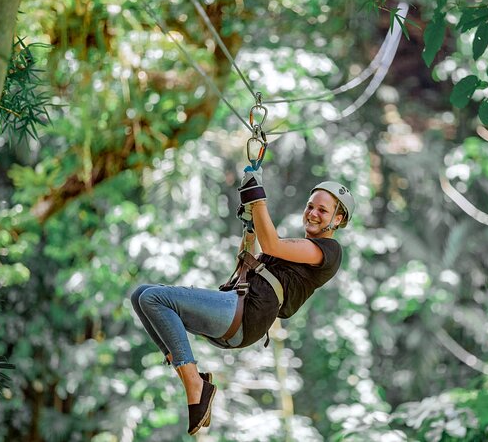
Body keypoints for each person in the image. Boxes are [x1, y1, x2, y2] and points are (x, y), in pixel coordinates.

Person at [129, 167, 354, 435]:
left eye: (322, 211)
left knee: (154, 298)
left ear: (338, 219)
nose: (312, 214)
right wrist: (249, 228)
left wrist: (256, 196)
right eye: (310, 206)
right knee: (140, 294)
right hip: (236, 308)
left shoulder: (328, 251)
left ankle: (194, 383)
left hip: (244, 316)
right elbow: (250, 260)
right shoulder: (297, 250)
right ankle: (190, 377)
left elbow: (271, 244)